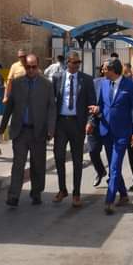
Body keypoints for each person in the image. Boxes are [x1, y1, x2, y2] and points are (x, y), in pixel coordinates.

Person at [0, 54, 56, 207]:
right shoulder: (17, 83)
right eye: (28, 67)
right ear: (24, 67)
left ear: (38, 67)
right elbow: (10, 106)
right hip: (20, 131)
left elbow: (52, 108)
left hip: (38, 131)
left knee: (38, 165)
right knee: (18, 164)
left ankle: (36, 192)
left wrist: (51, 129)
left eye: (33, 67)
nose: (31, 70)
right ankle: (13, 196)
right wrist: (3, 126)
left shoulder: (46, 85)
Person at [90, 58, 133, 215]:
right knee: (114, 166)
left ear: (114, 70)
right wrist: (96, 111)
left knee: (114, 167)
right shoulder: (104, 84)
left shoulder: (130, 85)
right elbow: (102, 104)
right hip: (106, 131)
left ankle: (109, 200)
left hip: (122, 133)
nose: (102, 71)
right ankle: (124, 195)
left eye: (105, 69)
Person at [51, 51, 95, 206]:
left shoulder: (87, 80)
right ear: (67, 62)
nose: (76, 65)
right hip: (61, 123)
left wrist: (90, 121)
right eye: (73, 62)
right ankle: (62, 189)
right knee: (59, 157)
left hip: (77, 124)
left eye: (78, 63)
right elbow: (52, 103)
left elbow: (92, 104)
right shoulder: (57, 78)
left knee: (77, 160)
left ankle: (76, 193)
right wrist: (51, 125)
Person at [87, 61, 111, 186]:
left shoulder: (117, 84)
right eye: (104, 68)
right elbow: (90, 103)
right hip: (95, 123)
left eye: (109, 68)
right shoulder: (95, 83)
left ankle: (113, 178)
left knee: (111, 154)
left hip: (109, 124)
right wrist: (90, 121)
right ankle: (100, 171)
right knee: (92, 151)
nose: (106, 70)